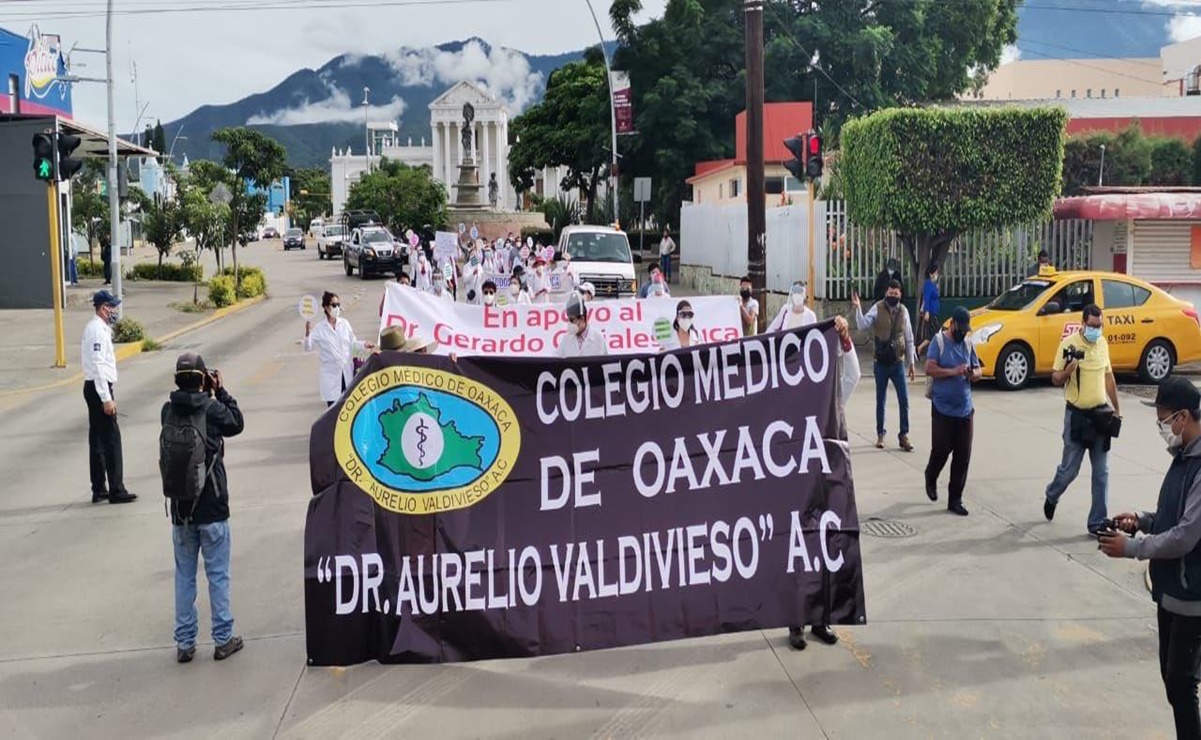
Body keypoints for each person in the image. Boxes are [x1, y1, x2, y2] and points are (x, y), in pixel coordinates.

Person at [1099, 377, 1201, 739]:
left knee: (1182, 685)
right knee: (1173, 681)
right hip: (1170, 591)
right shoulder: (1183, 458)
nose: (1163, 429)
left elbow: (1187, 535)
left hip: (1192, 597)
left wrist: (1131, 548)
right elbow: (1172, 518)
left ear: (1184, 417)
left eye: (1165, 420)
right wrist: (1141, 520)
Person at [162, 352, 245, 664]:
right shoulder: (211, 409)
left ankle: (185, 643)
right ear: (202, 379)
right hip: (211, 507)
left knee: (184, 575)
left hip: (181, 509)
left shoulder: (166, 411)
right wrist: (219, 390)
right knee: (218, 574)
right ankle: (223, 639)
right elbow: (236, 422)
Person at [788, 314, 858, 651]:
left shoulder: (835, 396)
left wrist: (843, 337)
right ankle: (796, 622)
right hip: (800, 482)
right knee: (799, 551)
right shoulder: (793, 402)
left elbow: (854, 373)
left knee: (828, 548)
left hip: (829, 478)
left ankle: (820, 619)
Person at [1043, 303, 1121, 535]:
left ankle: (1097, 522)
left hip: (1100, 416)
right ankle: (1052, 495)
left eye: (1100, 326)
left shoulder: (1102, 344)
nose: (1097, 330)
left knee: (1101, 472)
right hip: (1077, 416)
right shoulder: (1069, 345)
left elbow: (1108, 377)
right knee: (1070, 470)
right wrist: (1067, 373)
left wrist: (1117, 407)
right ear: (1083, 322)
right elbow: (1055, 377)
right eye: (1093, 325)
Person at [924, 307, 981, 517]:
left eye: (966, 329)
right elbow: (929, 369)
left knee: (963, 455)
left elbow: (979, 369)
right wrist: (953, 371)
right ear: (953, 324)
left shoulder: (967, 343)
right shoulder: (938, 342)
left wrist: (973, 374)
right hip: (942, 408)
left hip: (965, 410)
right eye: (961, 328)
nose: (963, 333)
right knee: (941, 450)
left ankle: (955, 499)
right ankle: (931, 475)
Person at [82, 290, 136, 504]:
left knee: (97, 439)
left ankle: (99, 488)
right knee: (111, 439)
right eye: (112, 307)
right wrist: (106, 397)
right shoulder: (96, 330)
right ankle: (116, 488)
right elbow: (98, 365)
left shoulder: (99, 328)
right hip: (98, 387)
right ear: (104, 308)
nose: (115, 311)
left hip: (94, 386)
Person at [852, 280, 916, 452]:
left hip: (898, 363)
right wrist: (858, 308)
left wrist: (912, 363)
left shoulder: (904, 312)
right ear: (886, 292)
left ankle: (904, 435)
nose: (893, 296)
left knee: (904, 400)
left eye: (896, 294)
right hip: (880, 363)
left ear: (900, 295)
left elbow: (909, 337)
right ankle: (880, 434)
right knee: (881, 400)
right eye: (890, 293)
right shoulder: (877, 307)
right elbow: (862, 324)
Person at [304, 292, 373, 408]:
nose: (337, 308)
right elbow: (307, 347)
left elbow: (353, 344)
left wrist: (365, 344)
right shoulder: (319, 328)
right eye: (333, 305)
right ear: (326, 307)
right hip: (331, 378)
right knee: (334, 413)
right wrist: (307, 332)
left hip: (346, 374)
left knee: (349, 411)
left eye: (338, 305)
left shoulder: (344, 324)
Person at [558, 291, 608, 357]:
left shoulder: (598, 339)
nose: (570, 323)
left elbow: (604, 365)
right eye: (569, 320)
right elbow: (557, 360)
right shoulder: (566, 339)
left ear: (582, 319)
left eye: (572, 320)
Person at [917, 264, 941, 355]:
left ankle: (929, 351)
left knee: (934, 332)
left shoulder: (933, 284)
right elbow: (926, 299)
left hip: (934, 312)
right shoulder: (928, 285)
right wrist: (926, 311)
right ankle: (920, 347)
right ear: (931, 274)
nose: (937, 275)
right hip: (930, 312)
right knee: (934, 333)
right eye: (935, 273)